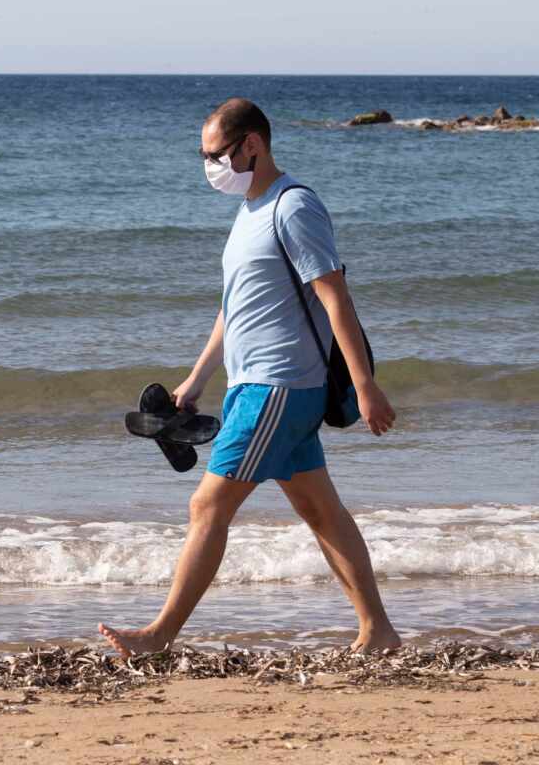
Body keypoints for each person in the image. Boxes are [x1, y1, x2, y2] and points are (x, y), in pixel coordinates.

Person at [98, 98, 401, 657]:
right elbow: (233, 310)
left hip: (280, 386)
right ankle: (378, 630)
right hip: (254, 384)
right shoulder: (249, 213)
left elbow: (335, 297)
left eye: (216, 155)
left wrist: (365, 385)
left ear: (252, 145)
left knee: (206, 506)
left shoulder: (294, 208)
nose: (210, 166)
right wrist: (195, 382)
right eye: (204, 155)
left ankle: (157, 636)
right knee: (320, 511)